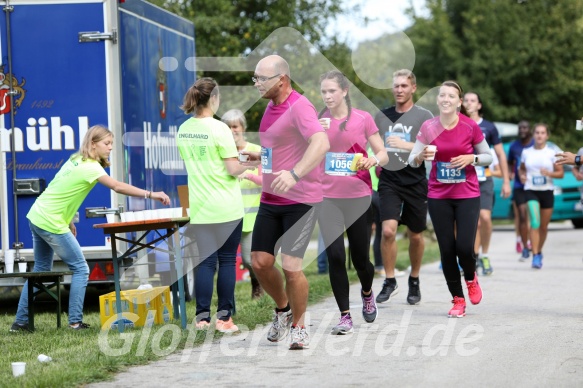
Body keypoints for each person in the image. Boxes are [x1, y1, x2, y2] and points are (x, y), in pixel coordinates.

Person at [10, 125, 171, 332]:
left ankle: (20, 322)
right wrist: (151, 194)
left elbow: (59, 187)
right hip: (50, 221)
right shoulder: (92, 167)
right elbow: (117, 186)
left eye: (111, 143)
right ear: (93, 144)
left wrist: (69, 219)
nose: (110, 148)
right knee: (81, 268)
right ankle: (75, 322)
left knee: (41, 269)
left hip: (37, 215)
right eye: (106, 143)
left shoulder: (76, 159)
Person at [243, 55, 330, 350]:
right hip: (271, 198)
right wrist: (251, 158)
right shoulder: (270, 107)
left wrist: (294, 174)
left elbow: (321, 143)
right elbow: (276, 148)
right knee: (260, 262)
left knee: (291, 266)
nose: (256, 84)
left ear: (281, 79)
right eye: (254, 78)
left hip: (301, 201)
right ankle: (283, 308)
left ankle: (300, 326)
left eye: (261, 79)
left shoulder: (300, 106)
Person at [408, 80, 492, 318]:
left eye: (451, 96)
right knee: (447, 250)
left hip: (467, 194)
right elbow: (412, 159)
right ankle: (457, 299)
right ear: (438, 100)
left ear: (458, 102)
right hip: (438, 195)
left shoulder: (469, 126)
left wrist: (471, 159)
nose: (445, 99)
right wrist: (421, 155)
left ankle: (471, 277)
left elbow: (487, 157)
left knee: (465, 247)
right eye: (442, 95)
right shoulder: (428, 126)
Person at [316, 70, 388, 334]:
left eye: (332, 91)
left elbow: (383, 153)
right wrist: (313, 134)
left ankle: (367, 292)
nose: (327, 96)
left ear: (344, 91)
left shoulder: (363, 118)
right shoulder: (318, 120)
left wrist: (374, 160)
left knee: (361, 259)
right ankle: (345, 315)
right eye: (324, 92)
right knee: (335, 256)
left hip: (358, 197)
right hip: (327, 198)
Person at [177, 78, 249, 333]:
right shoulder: (220, 129)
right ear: (214, 99)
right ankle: (224, 319)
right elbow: (232, 169)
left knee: (205, 262)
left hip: (200, 207)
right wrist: (249, 164)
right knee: (227, 261)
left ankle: (202, 319)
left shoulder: (183, 129)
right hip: (226, 207)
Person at [374, 69, 433, 305]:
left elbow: (431, 148)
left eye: (404, 86)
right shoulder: (382, 116)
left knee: (415, 235)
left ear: (413, 88)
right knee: (388, 230)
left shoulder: (423, 115)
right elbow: (372, 142)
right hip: (389, 180)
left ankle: (415, 279)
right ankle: (389, 280)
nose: (399, 90)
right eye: (396, 86)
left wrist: (405, 145)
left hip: (416, 182)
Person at [463, 92, 511, 276]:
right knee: (470, 223)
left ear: (479, 105)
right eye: (466, 100)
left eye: (472, 100)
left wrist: (506, 181)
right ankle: (471, 256)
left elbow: (500, 155)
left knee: (485, 218)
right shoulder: (459, 124)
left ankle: (485, 254)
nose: (469, 103)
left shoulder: (489, 127)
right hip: (464, 179)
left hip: (484, 180)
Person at [221, 109, 264, 299]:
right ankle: (227, 299)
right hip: (228, 213)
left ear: (243, 128)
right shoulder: (222, 152)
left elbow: (267, 181)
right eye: (228, 127)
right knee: (225, 260)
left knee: (249, 259)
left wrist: (248, 174)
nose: (232, 131)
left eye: (235, 126)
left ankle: (257, 283)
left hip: (252, 216)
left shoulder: (256, 150)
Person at [519, 123, 564, 269]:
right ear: (533, 135)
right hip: (531, 190)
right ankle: (535, 255)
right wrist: (522, 176)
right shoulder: (526, 152)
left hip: (547, 191)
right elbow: (521, 169)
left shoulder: (551, 153)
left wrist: (549, 173)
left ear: (547, 136)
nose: (539, 135)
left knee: (543, 227)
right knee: (535, 223)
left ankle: (539, 250)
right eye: (537, 132)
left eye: (542, 133)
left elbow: (561, 173)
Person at [507, 121, 534, 261]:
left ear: (530, 129)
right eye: (520, 128)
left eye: (525, 127)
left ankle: (534, 244)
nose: (522, 130)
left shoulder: (535, 144)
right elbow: (509, 161)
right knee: (522, 216)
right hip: (519, 186)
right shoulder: (514, 146)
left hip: (535, 187)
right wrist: (511, 173)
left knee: (534, 219)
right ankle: (524, 245)